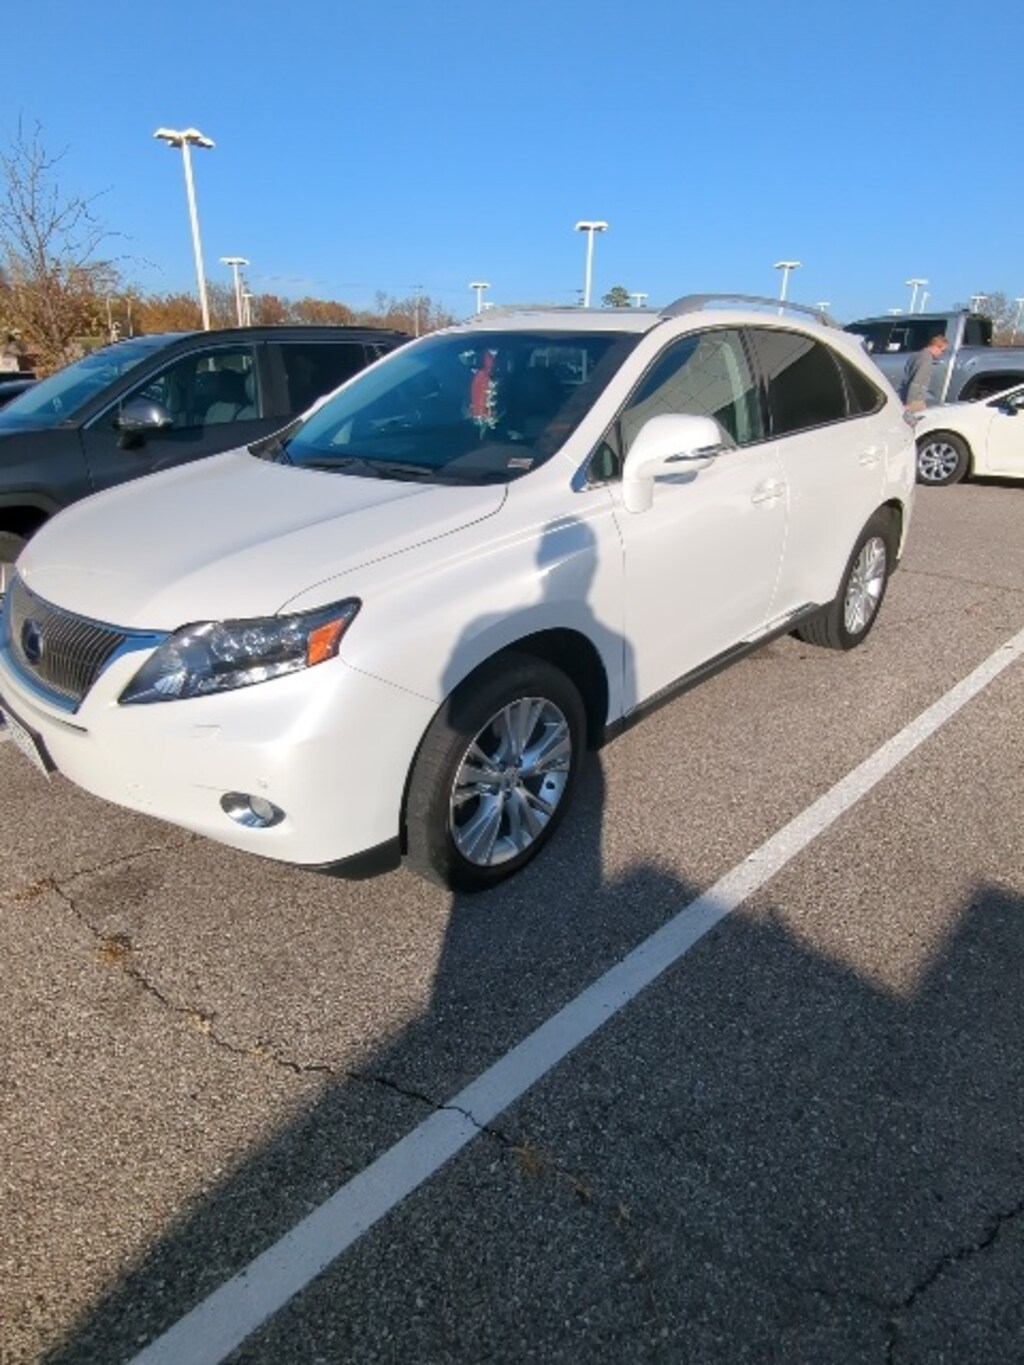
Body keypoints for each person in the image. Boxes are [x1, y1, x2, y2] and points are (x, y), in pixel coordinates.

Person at [899, 333, 949, 412]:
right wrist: (910, 403)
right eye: (942, 350)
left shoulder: (915, 355)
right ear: (936, 347)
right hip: (916, 400)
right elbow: (917, 382)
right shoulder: (927, 359)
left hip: (904, 395)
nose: (942, 354)